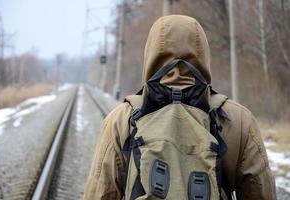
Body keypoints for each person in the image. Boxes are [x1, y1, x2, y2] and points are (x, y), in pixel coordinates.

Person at [83, 15, 276, 200]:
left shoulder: (121, 119)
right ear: (203, 55)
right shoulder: (239, 120)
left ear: (150, 55)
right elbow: (260, 193)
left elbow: (99, 194)